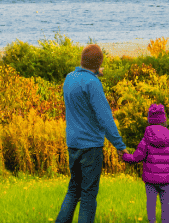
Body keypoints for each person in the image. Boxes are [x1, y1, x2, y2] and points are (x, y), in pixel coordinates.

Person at [54, 44, 127, 223]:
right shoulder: (92, 83)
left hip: (73, 144)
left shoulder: (69, 78)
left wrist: (94, 72)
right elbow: (105, 117)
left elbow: (81, 100)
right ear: (99, 63)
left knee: (73, 190)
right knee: (88, 195)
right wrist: (119, 145)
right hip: (91, 146)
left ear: (82, 60)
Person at [121, 103, 169, 223]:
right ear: (163, 120)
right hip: (166, 181)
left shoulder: (146, 138)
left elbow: (137, 157)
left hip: (150, 181)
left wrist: (124, 156)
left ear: (150, 120)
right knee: (165, 205)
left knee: (151, 204)